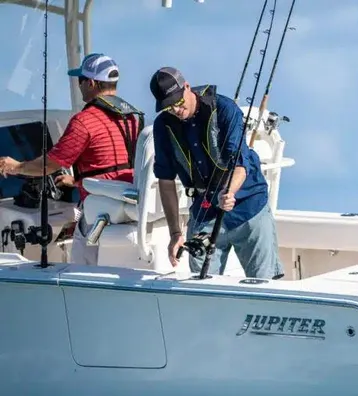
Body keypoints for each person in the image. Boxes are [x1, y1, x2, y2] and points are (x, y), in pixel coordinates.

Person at [0, 52, 144, 265]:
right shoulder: (134, 117)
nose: (79, 86)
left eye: (80, 80)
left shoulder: (84, 121)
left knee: (79, 261)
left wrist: (15, 166)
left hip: (100, 210)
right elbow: (117, 164)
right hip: (130, 204)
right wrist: (76, 181)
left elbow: (50, 165)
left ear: (92, 83)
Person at [149, 66, 283, 280]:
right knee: (200, 282)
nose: (176, 109)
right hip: (205, 210)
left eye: (178, 101)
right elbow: (165, 181)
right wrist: (175, 233)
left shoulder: (225, 109)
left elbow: (240, 164)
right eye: (168, 106)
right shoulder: (163, 125)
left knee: (264, 282)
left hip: (249, 207)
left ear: (187, 87)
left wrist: (228, 193)